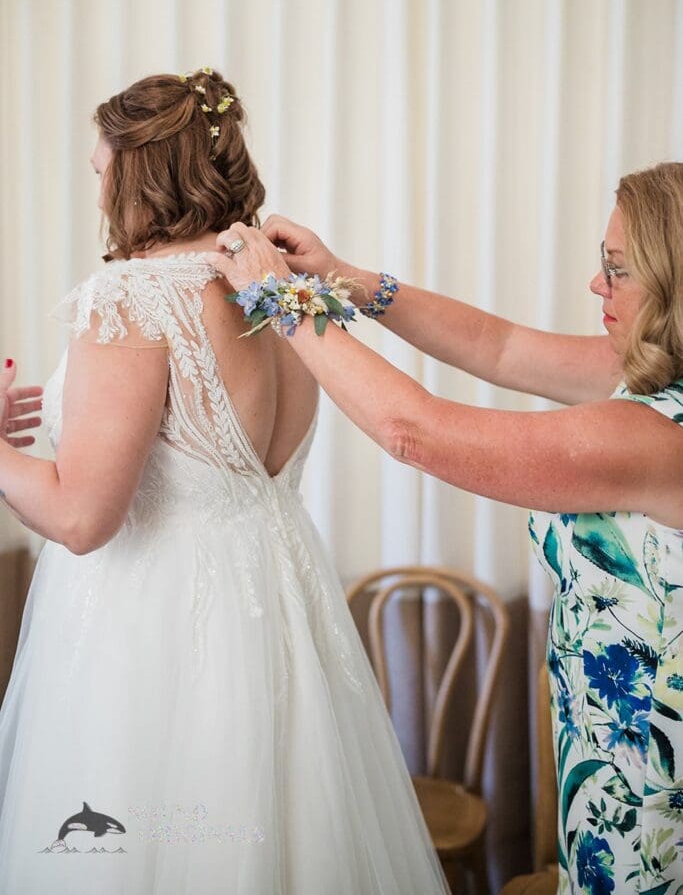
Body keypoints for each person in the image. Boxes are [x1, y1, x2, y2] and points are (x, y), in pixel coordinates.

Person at [0, 68, 451, 894]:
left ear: (138, 173)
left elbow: (79, 518)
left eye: (102, 171)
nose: (98, 191)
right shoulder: (286, 291)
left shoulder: (131, 297)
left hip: (155, 637)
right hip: (282, 614)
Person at [208, 162, 683, 894]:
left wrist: (282, 298)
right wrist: (348, 279)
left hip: (649, 784)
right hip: (611, 750)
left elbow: (414, 432)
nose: (597, 285)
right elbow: (499, 348)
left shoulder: (652, 437)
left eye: (615, 270)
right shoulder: (650, 375)